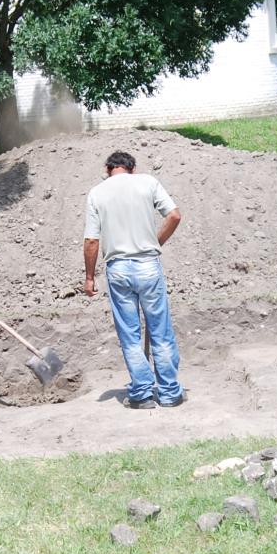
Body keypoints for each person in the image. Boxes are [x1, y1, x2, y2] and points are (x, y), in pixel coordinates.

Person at [82, 150, 184, 408]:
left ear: (107, 169)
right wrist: (155, 243)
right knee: (160, 330)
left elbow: (92, 240)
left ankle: (142, 393)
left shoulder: (97, 192)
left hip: (118, 270)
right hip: (148, 265)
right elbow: (174, 215)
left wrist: (89, 276)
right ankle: (170, 393)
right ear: (132, 168)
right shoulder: (147, 182)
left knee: (130, 334)